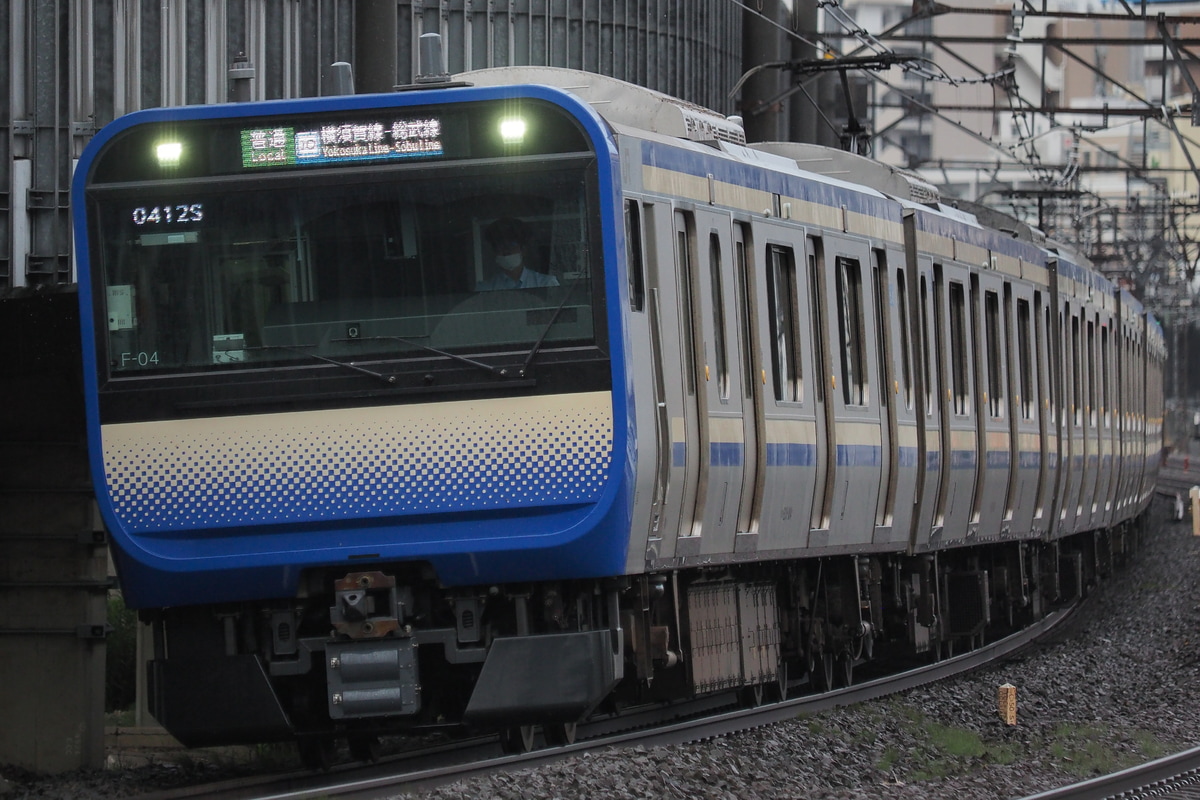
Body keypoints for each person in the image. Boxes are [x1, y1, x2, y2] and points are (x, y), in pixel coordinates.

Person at [476, 216, 559, 291]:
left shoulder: (546, 284)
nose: (506, 251)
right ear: (495, 252)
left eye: (511, 245)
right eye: (501, 246)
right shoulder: (485, 289)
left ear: (523, 250)